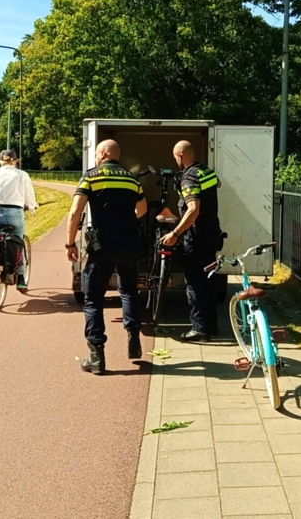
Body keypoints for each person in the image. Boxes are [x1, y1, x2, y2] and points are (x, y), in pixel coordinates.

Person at [66, 140, 148, 375]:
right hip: (129, 244)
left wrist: (70, 243)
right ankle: (133, 338)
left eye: (96, 154)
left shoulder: (91, 176)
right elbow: (141, 211)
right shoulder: (131, 179)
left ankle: (96, 356)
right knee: (129, 291)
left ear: (102, 154)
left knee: (93, 299)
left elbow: (75, 212)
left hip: (102, 246)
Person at [160, 140, 222, 341]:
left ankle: (199, 328)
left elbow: (193, 209)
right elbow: (218, 184)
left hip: (195, 237)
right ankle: (210, 326)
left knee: (194, 283)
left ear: (179, 156)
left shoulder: (189, 178)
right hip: (212, 233)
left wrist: (175, 233)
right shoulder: (206, 171)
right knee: (208, 281)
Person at [0, 149, 38, 291]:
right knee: (18, 241)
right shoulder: (22, 175)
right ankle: (20, 278)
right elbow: (29, 195)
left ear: (0, 161)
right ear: (15, 160)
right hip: (14, 213)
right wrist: (32, 207)